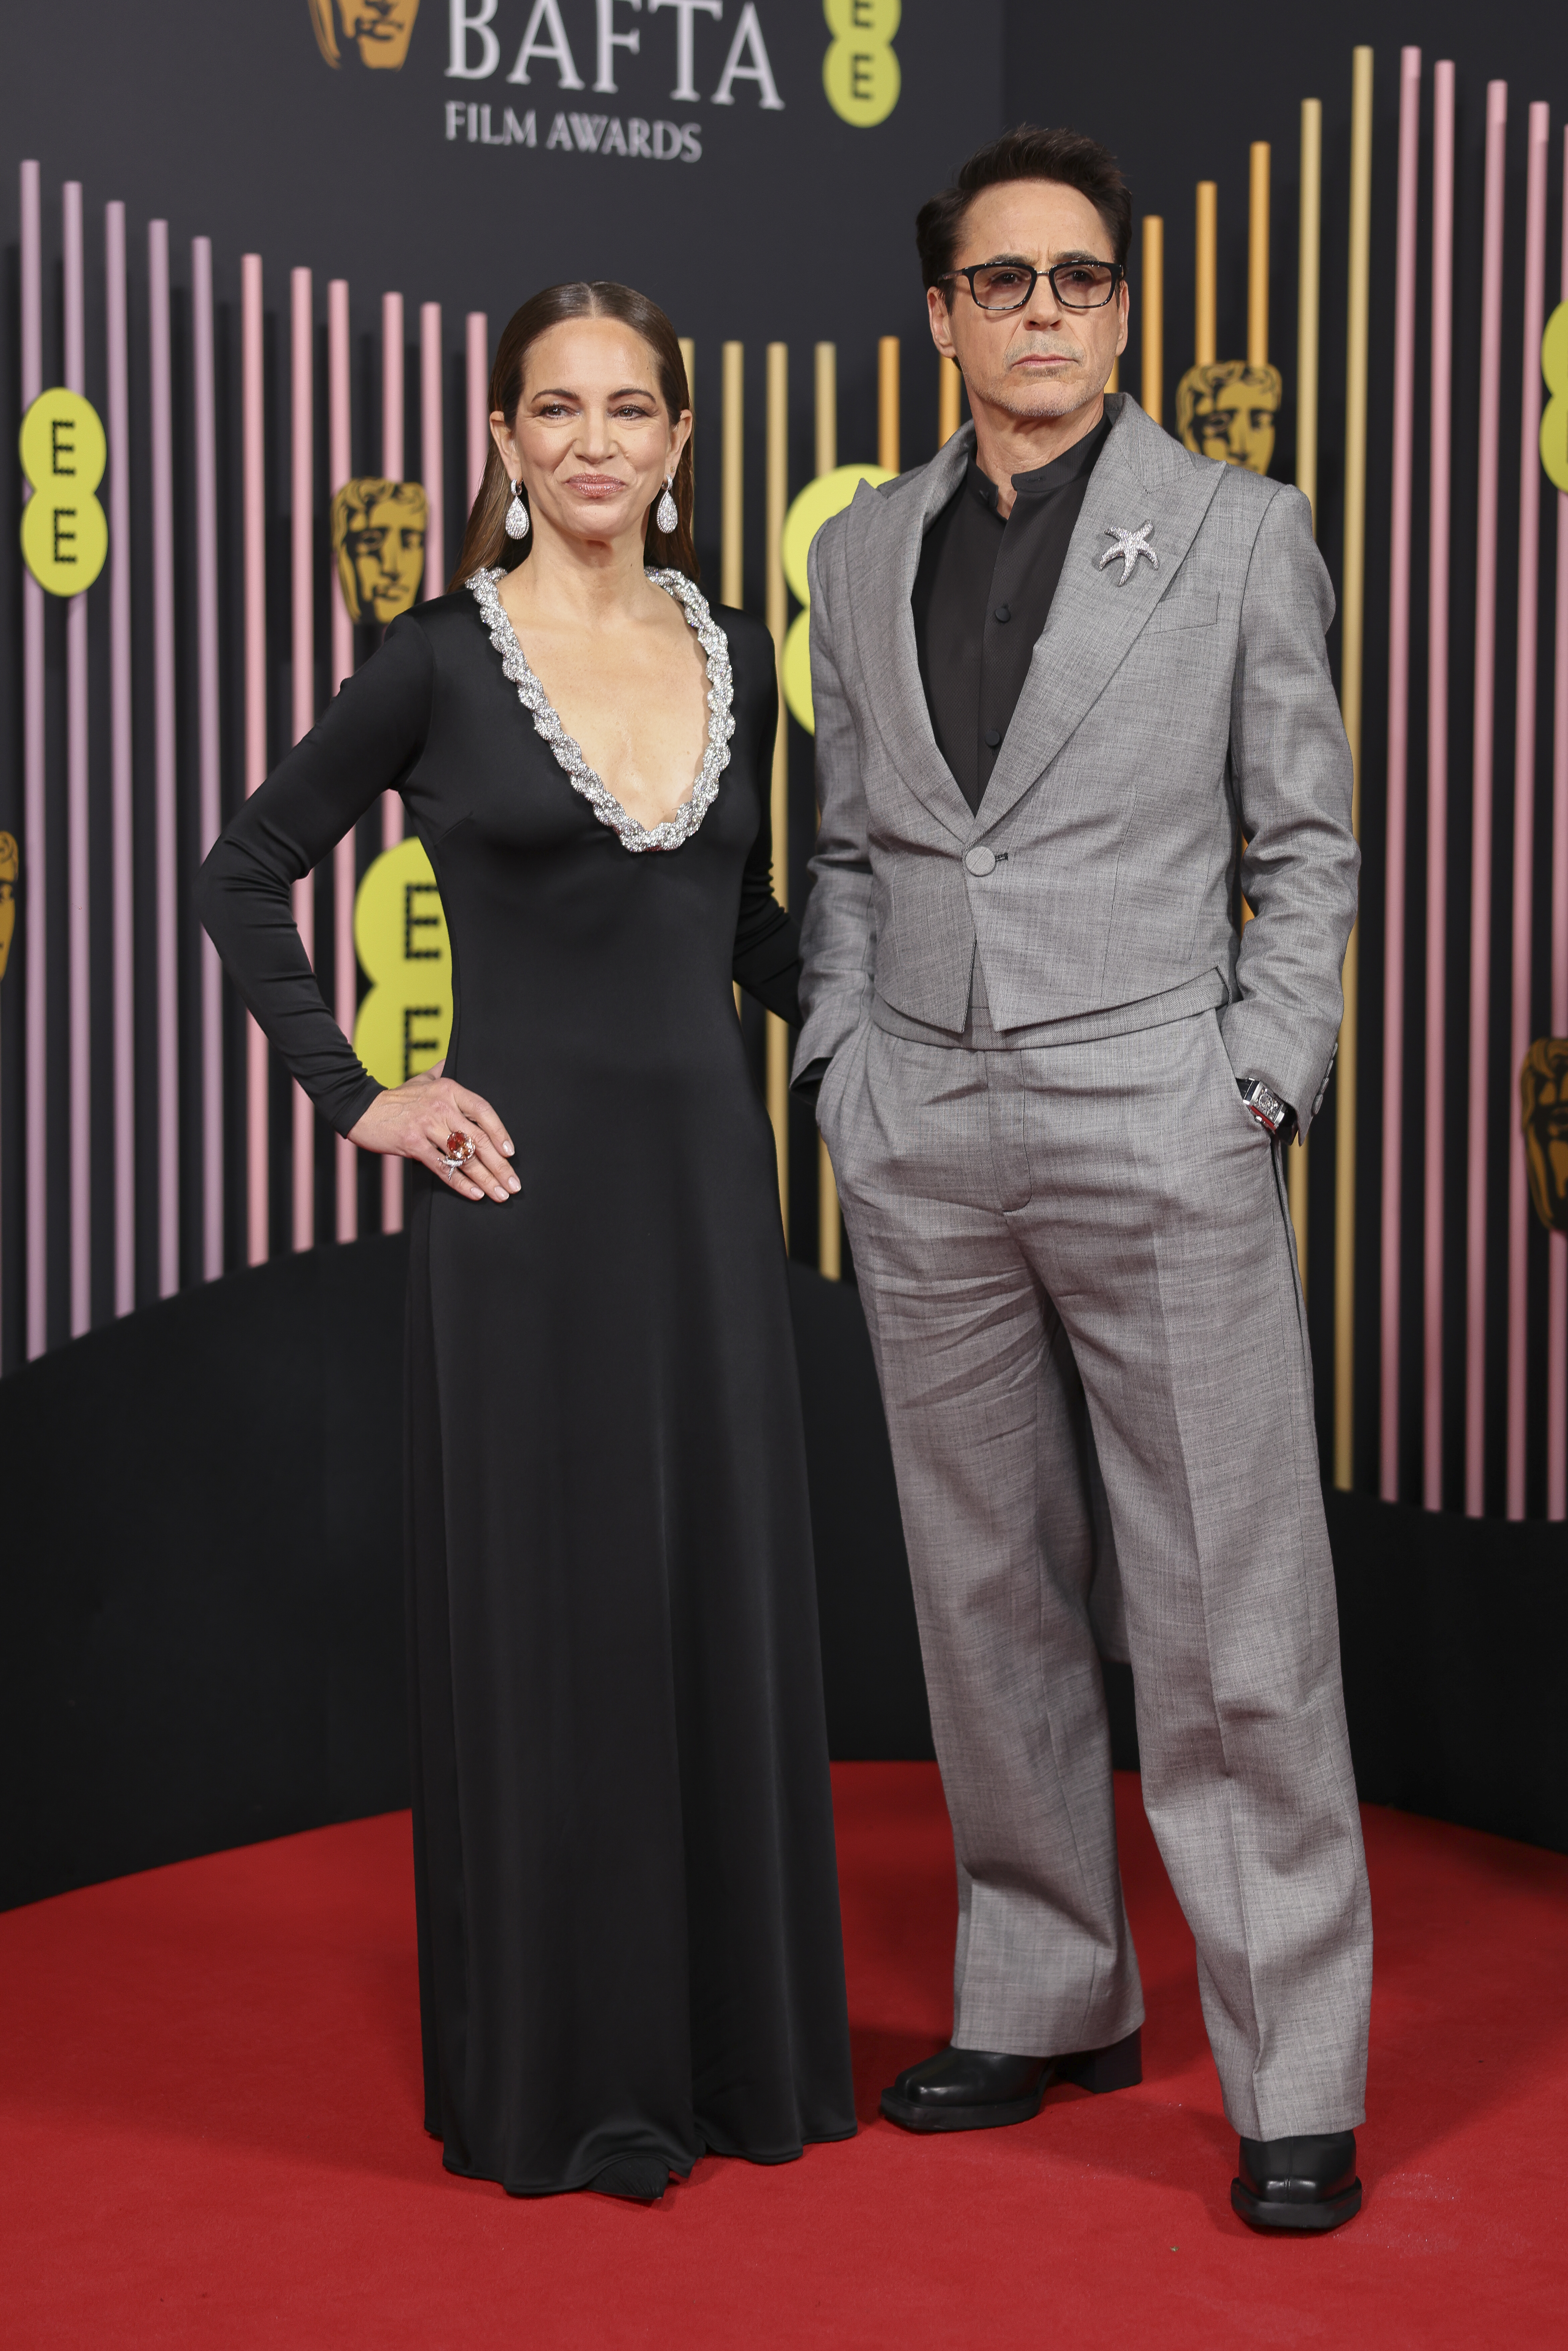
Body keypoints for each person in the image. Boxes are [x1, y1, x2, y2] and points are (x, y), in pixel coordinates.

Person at [199, 281, 855, 2203]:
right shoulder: (432, 660)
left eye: (628, 407)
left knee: (707, 1607)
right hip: (520, 1223)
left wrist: (914, 1047)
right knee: (553, 1633)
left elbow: (750, 943)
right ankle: (569, 2078)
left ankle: (736, 2064)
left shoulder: (734, 645)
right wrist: (360, 1092)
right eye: (552, 407)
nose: (591, 440)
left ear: (677, 444)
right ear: (499, 441)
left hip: (708, 1224)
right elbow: (244, 873)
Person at [797, 125, 1372, 2233]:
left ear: (1120, 310)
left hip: (1161, 1115)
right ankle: (1047, 1995)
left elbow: (1304, 844)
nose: (1047, 313)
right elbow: (849, 847)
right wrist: (851, 1064)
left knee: (1234, 1616)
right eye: (1006, 281)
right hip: (926, 1133)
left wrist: (1261, 1082)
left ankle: (1294, 2068)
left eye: (1083, 282)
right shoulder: (861, 553)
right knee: (985, 1600)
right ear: (941, 313)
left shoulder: (1236, 531)